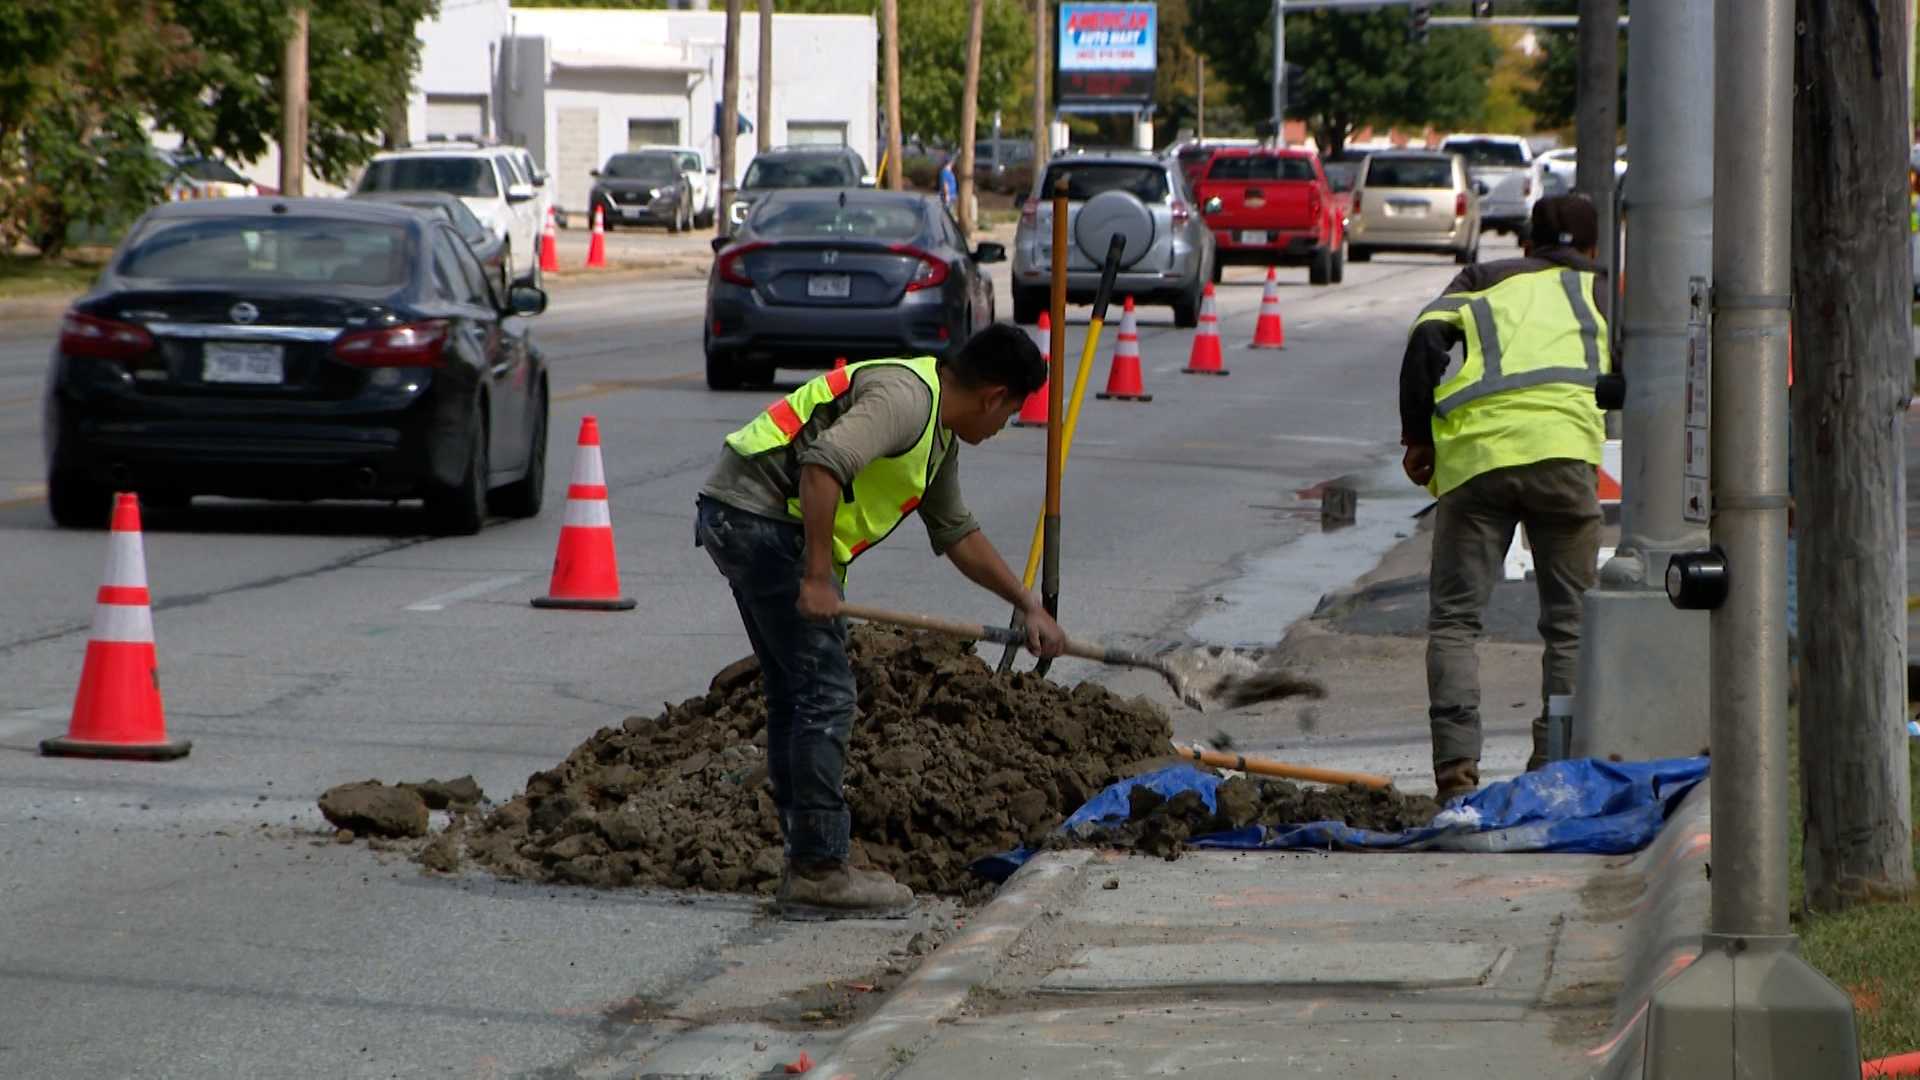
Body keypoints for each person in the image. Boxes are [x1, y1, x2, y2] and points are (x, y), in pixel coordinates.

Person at [696, 325, 1066, 919]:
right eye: (1013, 413)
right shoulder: (907, 400)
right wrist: (817, 576)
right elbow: (822, 465)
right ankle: (818, 869)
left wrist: (1028, 606)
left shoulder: (939, 431)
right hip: (759, 517)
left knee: (798, 690)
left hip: (747, 515)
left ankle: (808, 859)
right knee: (826, 692)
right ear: (995, 396)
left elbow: (956, 532)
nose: (1003, 430)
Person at [1398, 194, 1612, 803]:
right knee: (1569, 627)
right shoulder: (1597, 292)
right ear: (1594, 249)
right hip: (1565, 459)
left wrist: (1418, 438)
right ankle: (1554, 770)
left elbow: (1424, 342)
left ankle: (1457, 779)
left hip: (1477, 461)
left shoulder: (1483, 278)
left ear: (1526, 243)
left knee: (1455, 622)